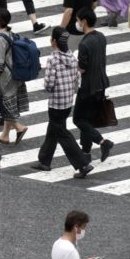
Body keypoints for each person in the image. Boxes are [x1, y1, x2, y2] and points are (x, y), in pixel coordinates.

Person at [32, 28, 92, 176]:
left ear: (54, 41)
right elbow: (77, 79)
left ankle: (82, 164)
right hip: (67, 101)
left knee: (62, 133)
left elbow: (49, 84)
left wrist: (47, 86)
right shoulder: (71, 57)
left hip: (56, 103)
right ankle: (44, 161)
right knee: (54, 130)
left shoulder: (53, 60)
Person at [72, 8, 115, 165]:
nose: (77, 23)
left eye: (77, 20)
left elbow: (82, 68)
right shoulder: (101, 37)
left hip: (88, 87)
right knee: (87, 120)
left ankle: (103, 142)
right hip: (101, 83)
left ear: (83, 21)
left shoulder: (84, 44)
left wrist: (73, 64)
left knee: (78, 119)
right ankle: (86, 152)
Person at [0, 9, 30, 144]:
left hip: (5, 77)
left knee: (5, 104)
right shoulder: (9, 33)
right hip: (15, 74)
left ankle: (19, 128)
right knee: (9, 103)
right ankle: (5, 135)